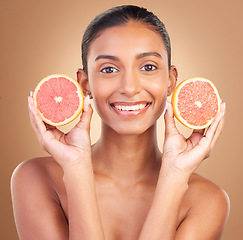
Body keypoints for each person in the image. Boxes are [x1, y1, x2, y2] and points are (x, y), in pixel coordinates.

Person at [11, 5, 229, 240]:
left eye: (148, 67)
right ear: (85, 84)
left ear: (170, 80)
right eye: (109, 69)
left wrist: (174, 177)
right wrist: (75, 168)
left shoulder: (207, 201)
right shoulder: (36, 178)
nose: (129, 87)